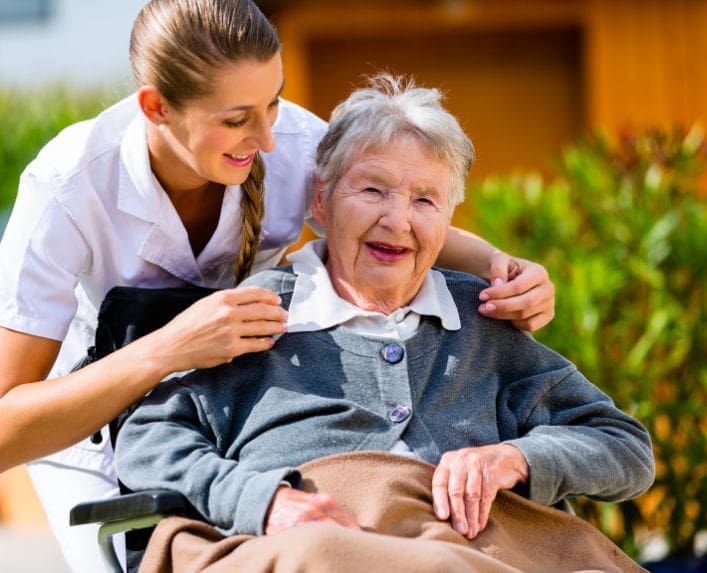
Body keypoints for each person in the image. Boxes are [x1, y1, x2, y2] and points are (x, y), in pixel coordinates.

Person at [0, 1, 553, 570]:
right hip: (100, 417)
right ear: (156, 107)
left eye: (274, 101)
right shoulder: (68, 188)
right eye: (237, 120)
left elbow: (390, 216)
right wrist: (170, 347)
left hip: (238, 420)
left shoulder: (290, 141)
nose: (267, 138)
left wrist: (502, 267)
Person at [115, 74, 655, 573]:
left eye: (425, 199)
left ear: (447, 220)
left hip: (484, 551)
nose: (397, 220)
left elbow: (625, 446)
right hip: (320, 552)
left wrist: (516, 457)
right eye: (372, 190)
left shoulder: (481, 320)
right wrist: (260, 501)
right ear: (322, 202)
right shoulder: (256, 314)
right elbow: (147, 439)